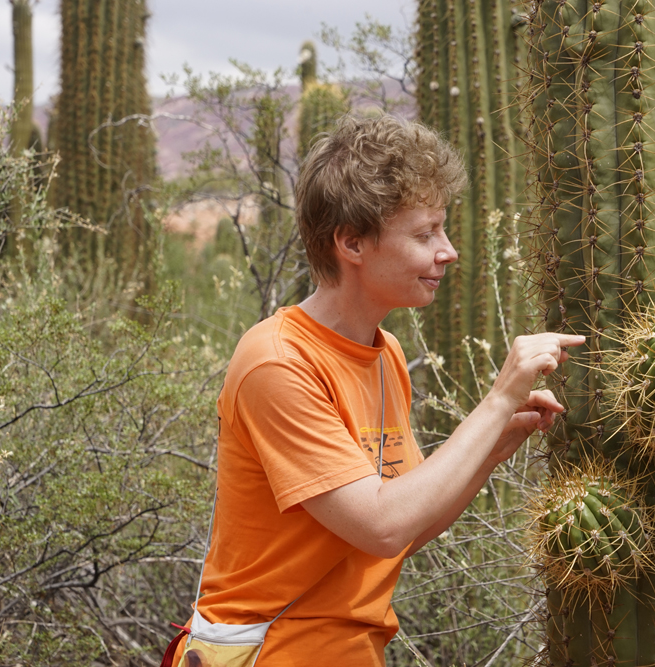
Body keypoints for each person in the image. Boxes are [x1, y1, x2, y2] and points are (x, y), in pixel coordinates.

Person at [167, 114, 584, 666]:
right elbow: (381, 526)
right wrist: (497, 400)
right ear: (352, 243)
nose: (448, 251)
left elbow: (406, 528)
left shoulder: (385, 354)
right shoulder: (277, 363)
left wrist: (493, 444)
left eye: (443, 230)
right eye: (425, 234)